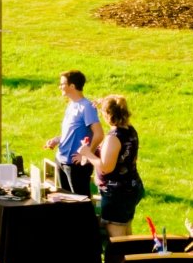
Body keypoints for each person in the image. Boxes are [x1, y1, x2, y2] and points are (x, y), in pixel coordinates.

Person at [87, 94, 143, 238]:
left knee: (117, 237)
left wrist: (87, 153)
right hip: (131, 187)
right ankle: (133, 259)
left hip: (116, 194)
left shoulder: (113, 137)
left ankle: (120, 260)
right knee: (127, 231)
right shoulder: (130, 130)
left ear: (107, 115)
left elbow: (106, 167)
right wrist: (103, 102)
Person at [45, 70, 101, 195]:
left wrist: (87, 155)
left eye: (62, 84)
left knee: (80, 205)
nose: (59, 87)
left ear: (72, 86)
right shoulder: (71, 104)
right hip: (61, 160)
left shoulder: (86, 107)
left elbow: (99, 134)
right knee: (66, 203)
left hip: (76, 165)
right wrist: (57, 140)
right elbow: (73, 131)